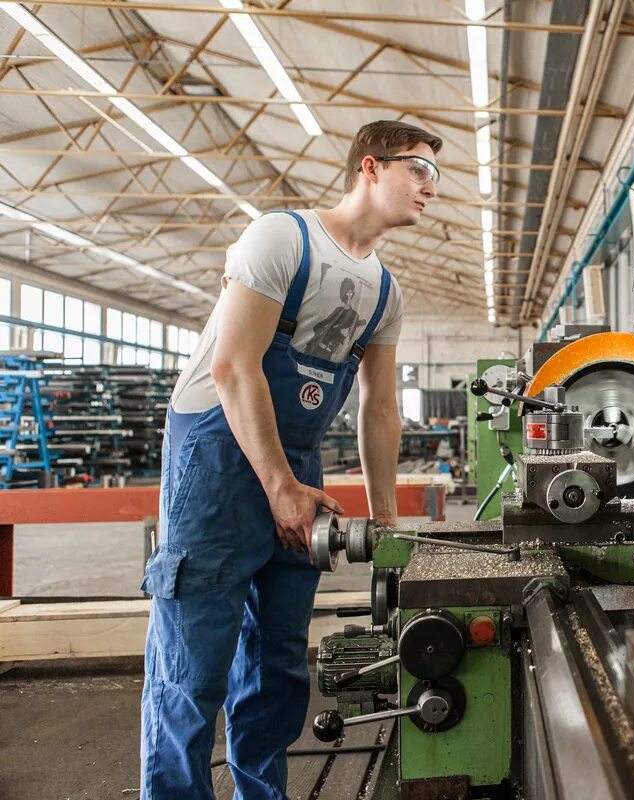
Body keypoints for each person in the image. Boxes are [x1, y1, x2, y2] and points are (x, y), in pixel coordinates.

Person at [139, 120, 442, 799]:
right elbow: (233, 368)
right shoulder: (282, 239)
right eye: (419, 170)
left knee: (276, 664)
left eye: (435, 177)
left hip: (295, 467)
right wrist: (279, 487)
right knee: (192, 670)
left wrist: (385, 515)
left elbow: (380, 408)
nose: (430, 188)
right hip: (218, 462)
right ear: (370, 167)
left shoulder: (385, 292)